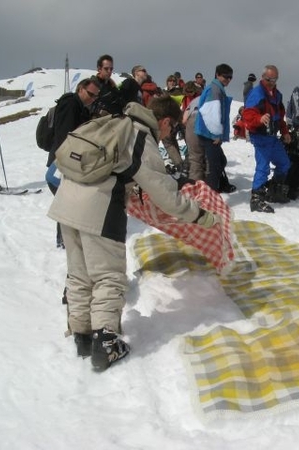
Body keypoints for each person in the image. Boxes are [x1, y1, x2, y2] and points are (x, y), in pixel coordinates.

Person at [48, 96, 218, 371]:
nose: (168, 135)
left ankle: (81, 335)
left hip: (67, 202)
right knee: (108, 276)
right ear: (165, 121)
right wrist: (200, 215)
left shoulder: (117, 122)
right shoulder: (140, 137)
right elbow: (165, 195)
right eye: (171, 129)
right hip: (99, 207)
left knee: (79, 272)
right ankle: (105, 343)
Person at [45, 78, 100, 248]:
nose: (92, 98)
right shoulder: (71, 104)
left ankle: (65, 240)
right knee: (68, 201)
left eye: (95, 96)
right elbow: (66, 136)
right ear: (81, 89)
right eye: (90, 94)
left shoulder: (80, 106)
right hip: (64, 160)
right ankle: (65, 241)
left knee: (68, 200)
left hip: (66, 159)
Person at [243, 65, 292, 213]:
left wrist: (285, 132)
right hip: (259, 135)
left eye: (274, 79)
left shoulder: (277, 95)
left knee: (284, 163)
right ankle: (256, 199)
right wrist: (259, 118)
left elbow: (280, 117)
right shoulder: (257, 93)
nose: (271, 82)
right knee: (263, 167)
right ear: (262, 77)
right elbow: (247, 115)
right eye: (269, 79)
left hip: (272, 136)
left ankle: (274, 190)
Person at [194, 63, 235, 193]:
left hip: (207, 133)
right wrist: (216, 134)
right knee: (214, 166)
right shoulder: (215, 90)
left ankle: (217, 187)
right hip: (209, 134)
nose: (228, 79)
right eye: (225, 76)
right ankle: (209, 197)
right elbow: (210, 113)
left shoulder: (216, 88)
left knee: (220, 161)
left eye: (230, 77)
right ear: (217, 75)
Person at [182, 82, 206, 181]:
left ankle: (195, 182)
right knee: (196, 153)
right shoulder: (187, 99)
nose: (189, 94)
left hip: (194, 120)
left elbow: (185, 116)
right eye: (187, 92)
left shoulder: (197, 98)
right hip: (192, 121)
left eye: (190, 92)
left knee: (196, 154)